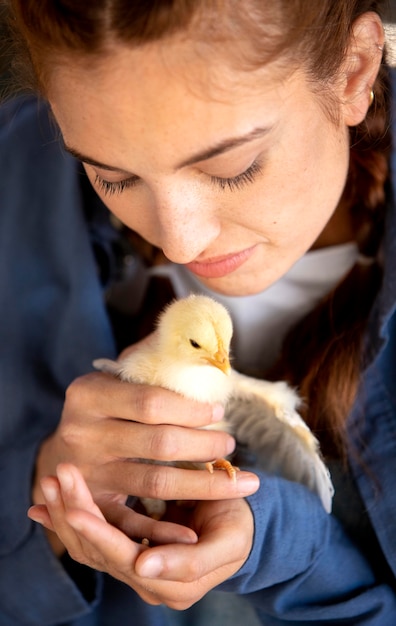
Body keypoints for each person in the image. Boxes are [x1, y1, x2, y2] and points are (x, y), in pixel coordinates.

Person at [1, 0, 396, 624]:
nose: (179, 242)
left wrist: (280, 547)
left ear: (354, 71)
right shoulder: (14, 177)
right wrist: (41, 490)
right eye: (112, 176)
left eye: (233, 169)